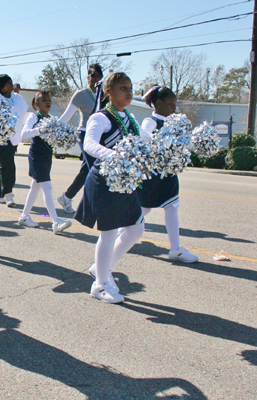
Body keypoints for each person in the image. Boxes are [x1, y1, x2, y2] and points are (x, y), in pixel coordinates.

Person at [74, 73, 148, 304]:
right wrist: (117, 156)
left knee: (136, 230)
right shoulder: (101, 117)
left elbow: (147, 139)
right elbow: (89, 144)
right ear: (108, 92)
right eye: (123, 88)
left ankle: (100, 268)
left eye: (130, 87)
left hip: (124, 182)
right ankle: (99, 285)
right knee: (109, 233)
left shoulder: (131, 118)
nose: (129, 92)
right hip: (105, 180)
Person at [139, 86, 198, 263]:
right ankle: (122, 229)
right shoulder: (152, 121)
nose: (174, 108)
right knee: (144, 208)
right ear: (158, 103)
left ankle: (175, 249)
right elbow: (143, 136)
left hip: (168, 174)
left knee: (172, 207)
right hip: (152, 174)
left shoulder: (174, 123)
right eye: (171, 104)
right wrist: (159, 142)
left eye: (175, 104)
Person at [17, 91, 73, 234]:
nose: (48, 102)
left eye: (49, 100)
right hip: (37, 156)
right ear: (36, 103)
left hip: (47, 156)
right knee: (47, 187)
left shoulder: (51, 118)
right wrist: (41, 129)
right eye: (44, 100)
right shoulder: (34, 116)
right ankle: (56, 222)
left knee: (35, 187)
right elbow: (24, 134)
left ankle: (24, 216)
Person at [55, 64, 103, 214]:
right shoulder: (81, 94)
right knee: (95, 169)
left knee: (87, 170)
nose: (95, 78)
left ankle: (67, 197)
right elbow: (66, 116)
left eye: (98, 76)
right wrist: (52, 128)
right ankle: (92, 206)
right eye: (92, 75)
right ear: (88, 77)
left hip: (101, 133)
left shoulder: (105, 94)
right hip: (85, 133)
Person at [0, 74, 28, 206]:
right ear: (2, 86)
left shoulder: (17, 97)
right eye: (9, 83)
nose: (12, 85)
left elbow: (23, 111)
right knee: (8, 165)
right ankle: (8, 193)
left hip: (14, 137)